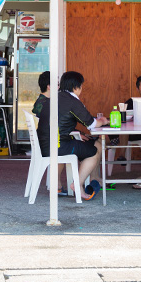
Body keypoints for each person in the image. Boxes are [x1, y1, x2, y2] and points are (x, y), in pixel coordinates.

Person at [54, 71, 107, 200]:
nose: (81, 89)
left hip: (49, 142)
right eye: (81, 86)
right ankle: (78, 184)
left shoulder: (56, 97)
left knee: (94, 143)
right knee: (94, 152)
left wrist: (78, 134)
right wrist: (105, 121)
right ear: (76, 87)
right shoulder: (72, 101)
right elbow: (92, 124)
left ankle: (92, 178)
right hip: (60, 145)